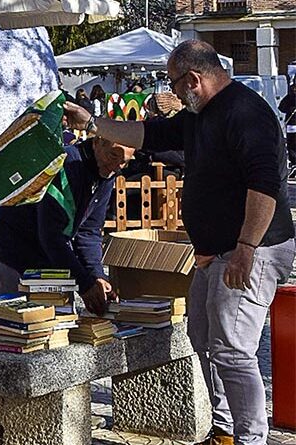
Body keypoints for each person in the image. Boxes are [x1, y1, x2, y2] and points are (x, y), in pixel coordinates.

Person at [64, 40, 295, 445]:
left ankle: (251, 439)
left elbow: (266, 186)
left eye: (173, 83)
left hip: (250, 249)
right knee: (203, 338)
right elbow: (146, 133)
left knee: (234, 349)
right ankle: (223, 430)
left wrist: (245, 247)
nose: (170, 92)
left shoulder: (245, 112)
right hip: (215, 252)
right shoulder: (197, 114)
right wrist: (92, 122)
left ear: (193, 78)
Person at [0, 137, 133, 313]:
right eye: (113, 156)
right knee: (22, 323)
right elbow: (51, 236)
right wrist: (85, 284)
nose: (117, 166)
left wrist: (96, 275)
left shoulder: (108, 173)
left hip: (51, 251)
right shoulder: (67, 165)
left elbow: (89, 231)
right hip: (14, 244)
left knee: (60, 319)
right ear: (96, 142)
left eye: (124, 162)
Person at [277, 82, 296, 177]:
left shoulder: (290, 97)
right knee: (292, 145)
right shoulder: (289, 98)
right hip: (292, 125)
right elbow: (281, 107)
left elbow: (281, 108)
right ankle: (294, 164)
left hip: (292, 125)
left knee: (293, 145)